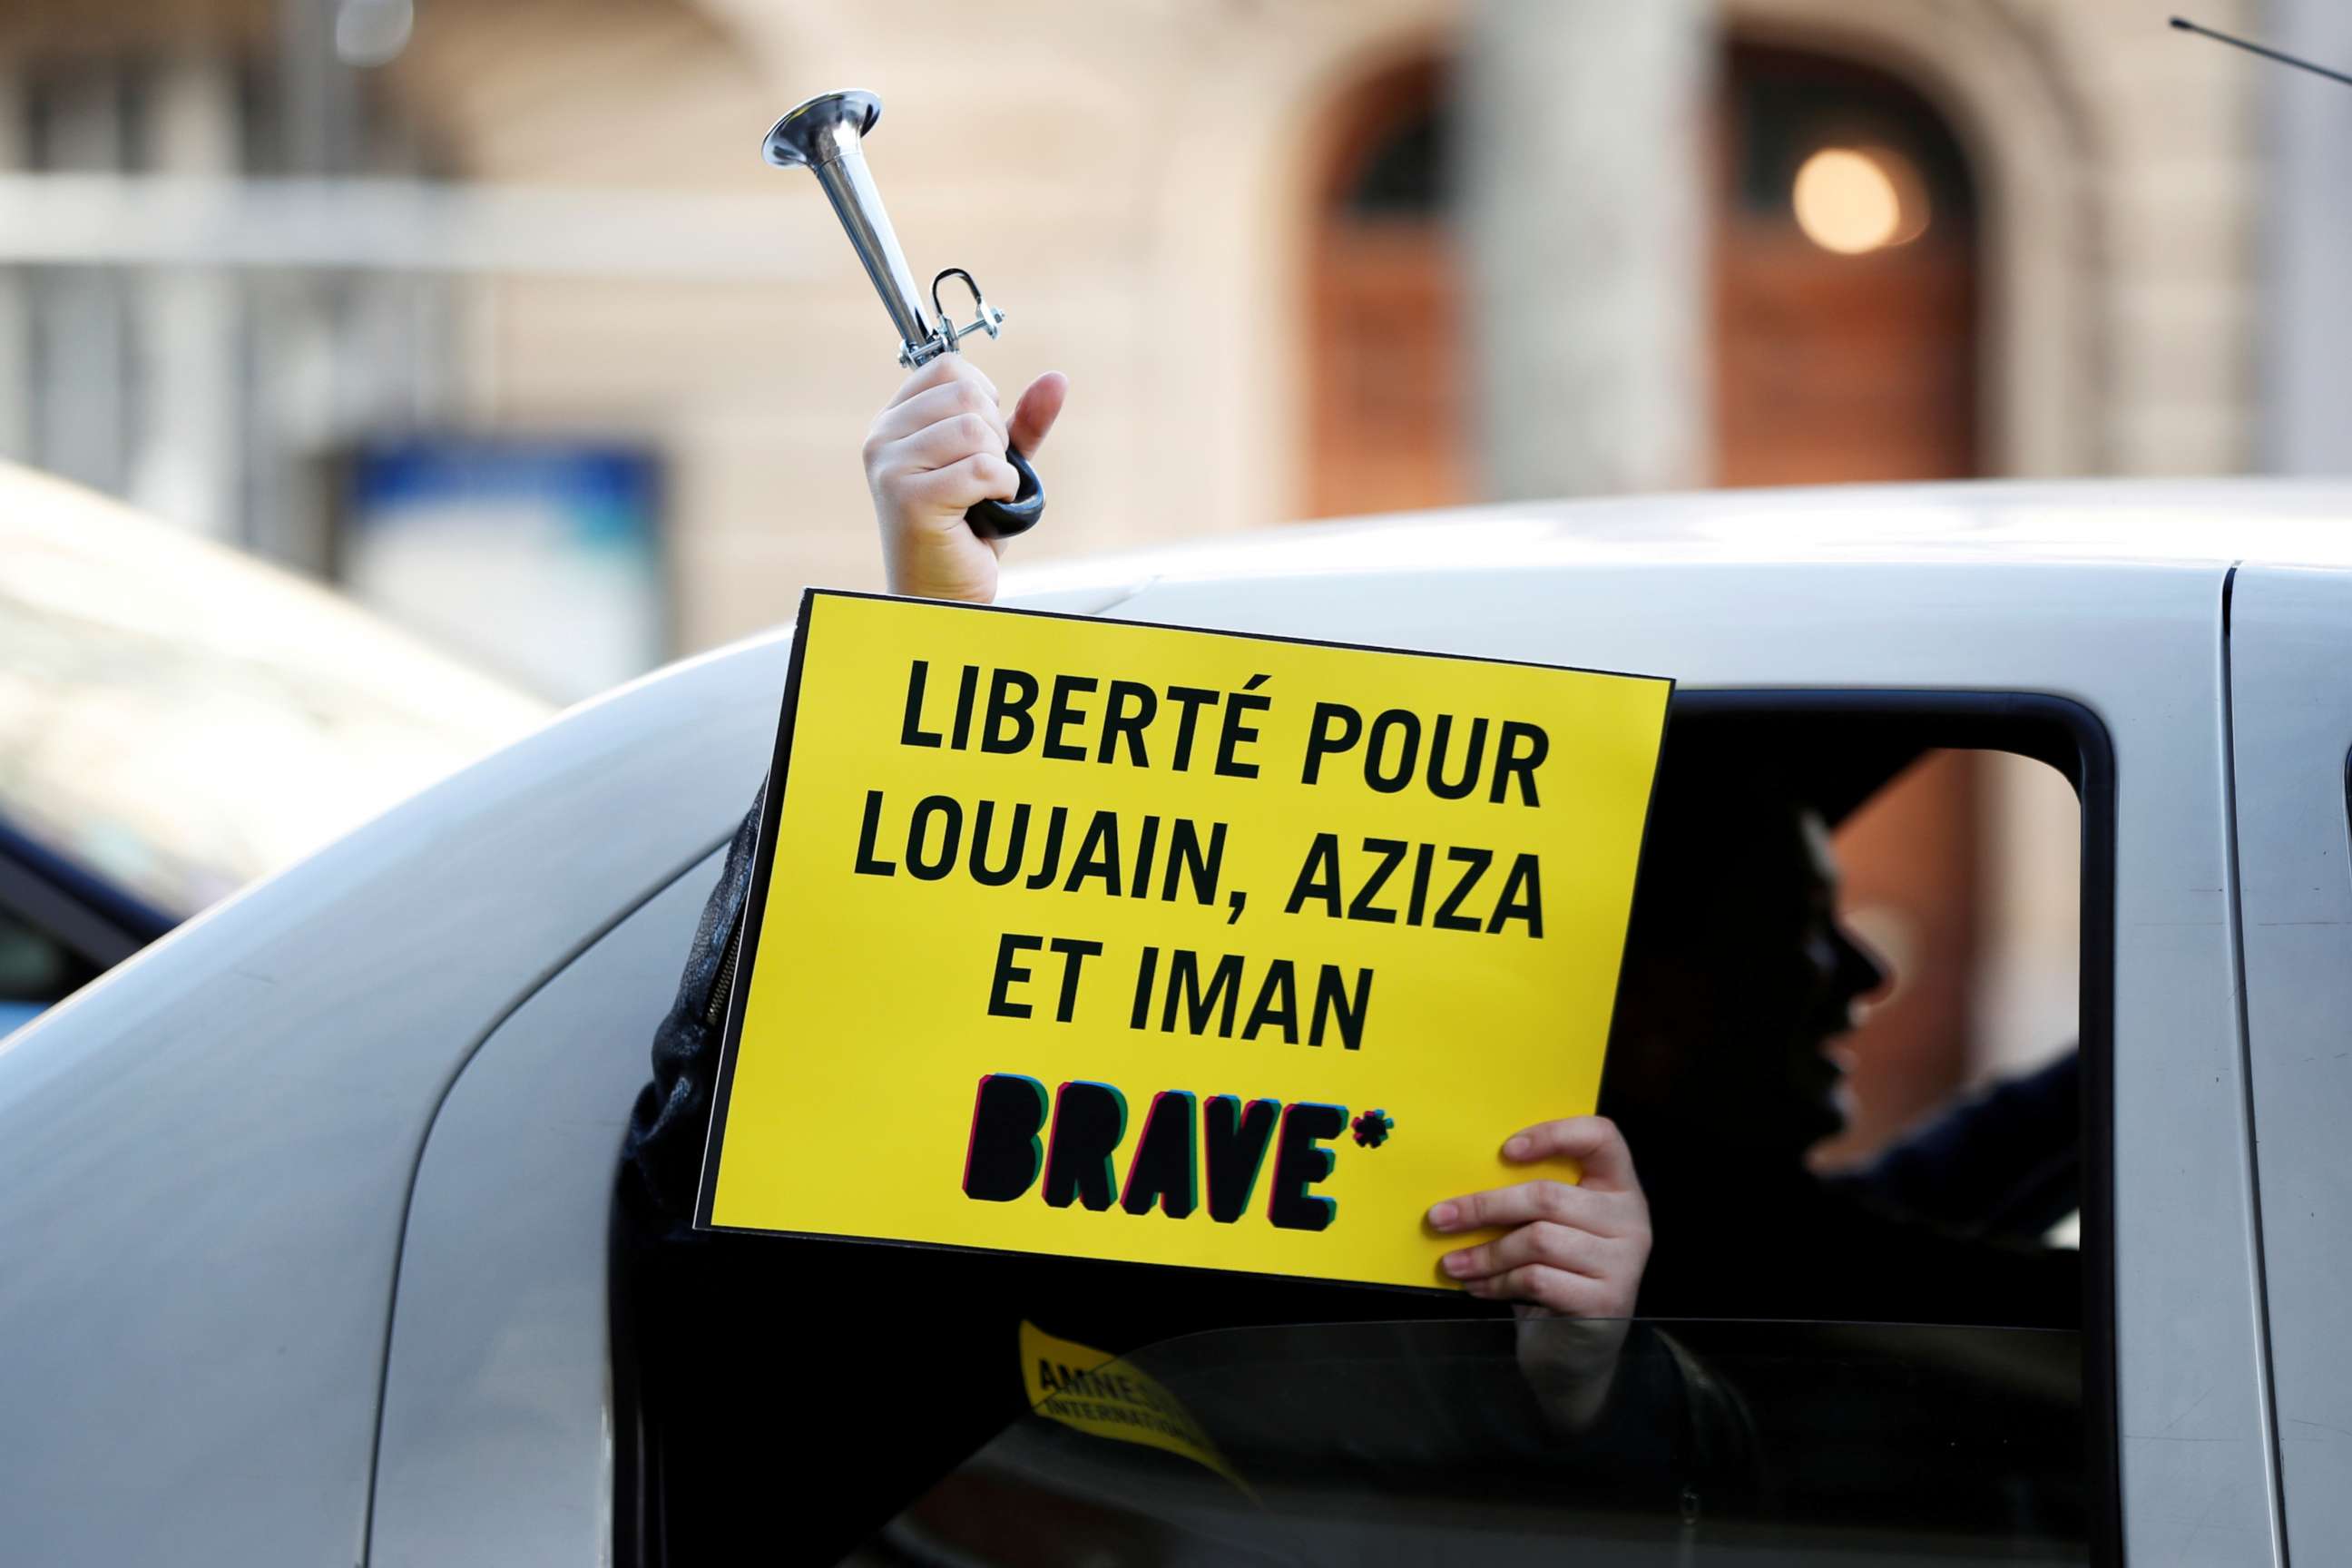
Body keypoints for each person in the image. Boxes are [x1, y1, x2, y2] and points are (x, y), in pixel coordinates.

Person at [613, 355, 2074, 1557]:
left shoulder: (1514, 1300)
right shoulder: (1110, 1282)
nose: (1858, 978)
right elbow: (772, 1270)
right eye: (1791, 929)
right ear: (1634, 989)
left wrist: (1593, 1384)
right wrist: (939, 653)